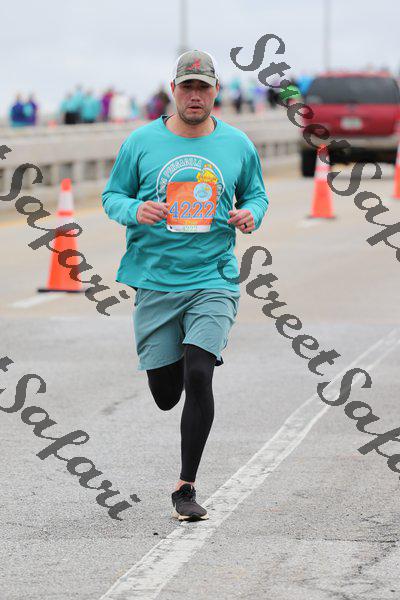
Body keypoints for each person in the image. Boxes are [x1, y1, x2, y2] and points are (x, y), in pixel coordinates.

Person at [102, 49, 269, 521]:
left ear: (216, 92)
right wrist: (134, 209)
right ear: (174, 90)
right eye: (187, 87)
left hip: (213, 276)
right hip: (155, 280)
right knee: (165, 394)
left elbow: (257, 194)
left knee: (200, 373)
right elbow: (112, 195)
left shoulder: (237, 144)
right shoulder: (141, 142)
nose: (195, 96)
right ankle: (174, 353)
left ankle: (186, 486)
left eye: (204, 88)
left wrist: (250, 214)